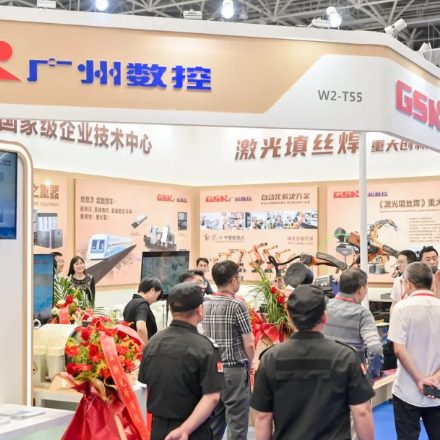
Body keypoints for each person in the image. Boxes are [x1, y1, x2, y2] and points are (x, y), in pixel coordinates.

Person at [251, 284, 375, 440]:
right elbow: (362, 411)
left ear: (289, 316)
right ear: (324, 317)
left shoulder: (270, 359)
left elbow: (262, 417)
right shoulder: (345, 357)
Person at [138, 283, 224, 440]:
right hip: (192, 430)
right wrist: (184, 430)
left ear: (170, 309)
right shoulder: (205, 347)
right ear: (199, 310)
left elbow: (145, 384)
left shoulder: (152, 343)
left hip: (158, 429)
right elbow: (212, 397)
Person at [202, 260, 255, 440]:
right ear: (233, 280)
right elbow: (249, 343)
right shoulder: (237, 305)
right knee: (237, 425)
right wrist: (250, 364)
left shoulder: (205, 303)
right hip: (234, 371)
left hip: (212, 371)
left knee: (214, 425)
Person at [388, 262, 440, 440]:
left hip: (407, 389)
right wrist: (435, 378)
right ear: (431, 282)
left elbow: (398, 350)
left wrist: (419, 379)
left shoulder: (401, 308)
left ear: (408, 283)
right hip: (437, 389)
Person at [323, 268, 383, 379]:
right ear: (361, 290)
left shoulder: (323, 307)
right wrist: (371, 375)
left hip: (324, 376)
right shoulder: (363, 314)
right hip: (351, 378)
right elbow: (375, 349)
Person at [123, 277, 162, 345]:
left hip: (131, 346)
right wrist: (145, 348)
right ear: (152, 290)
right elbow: (141, 328)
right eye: (157, 296)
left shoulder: (130, 304)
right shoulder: (142, 305)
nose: (155, 300)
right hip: (140, 347)